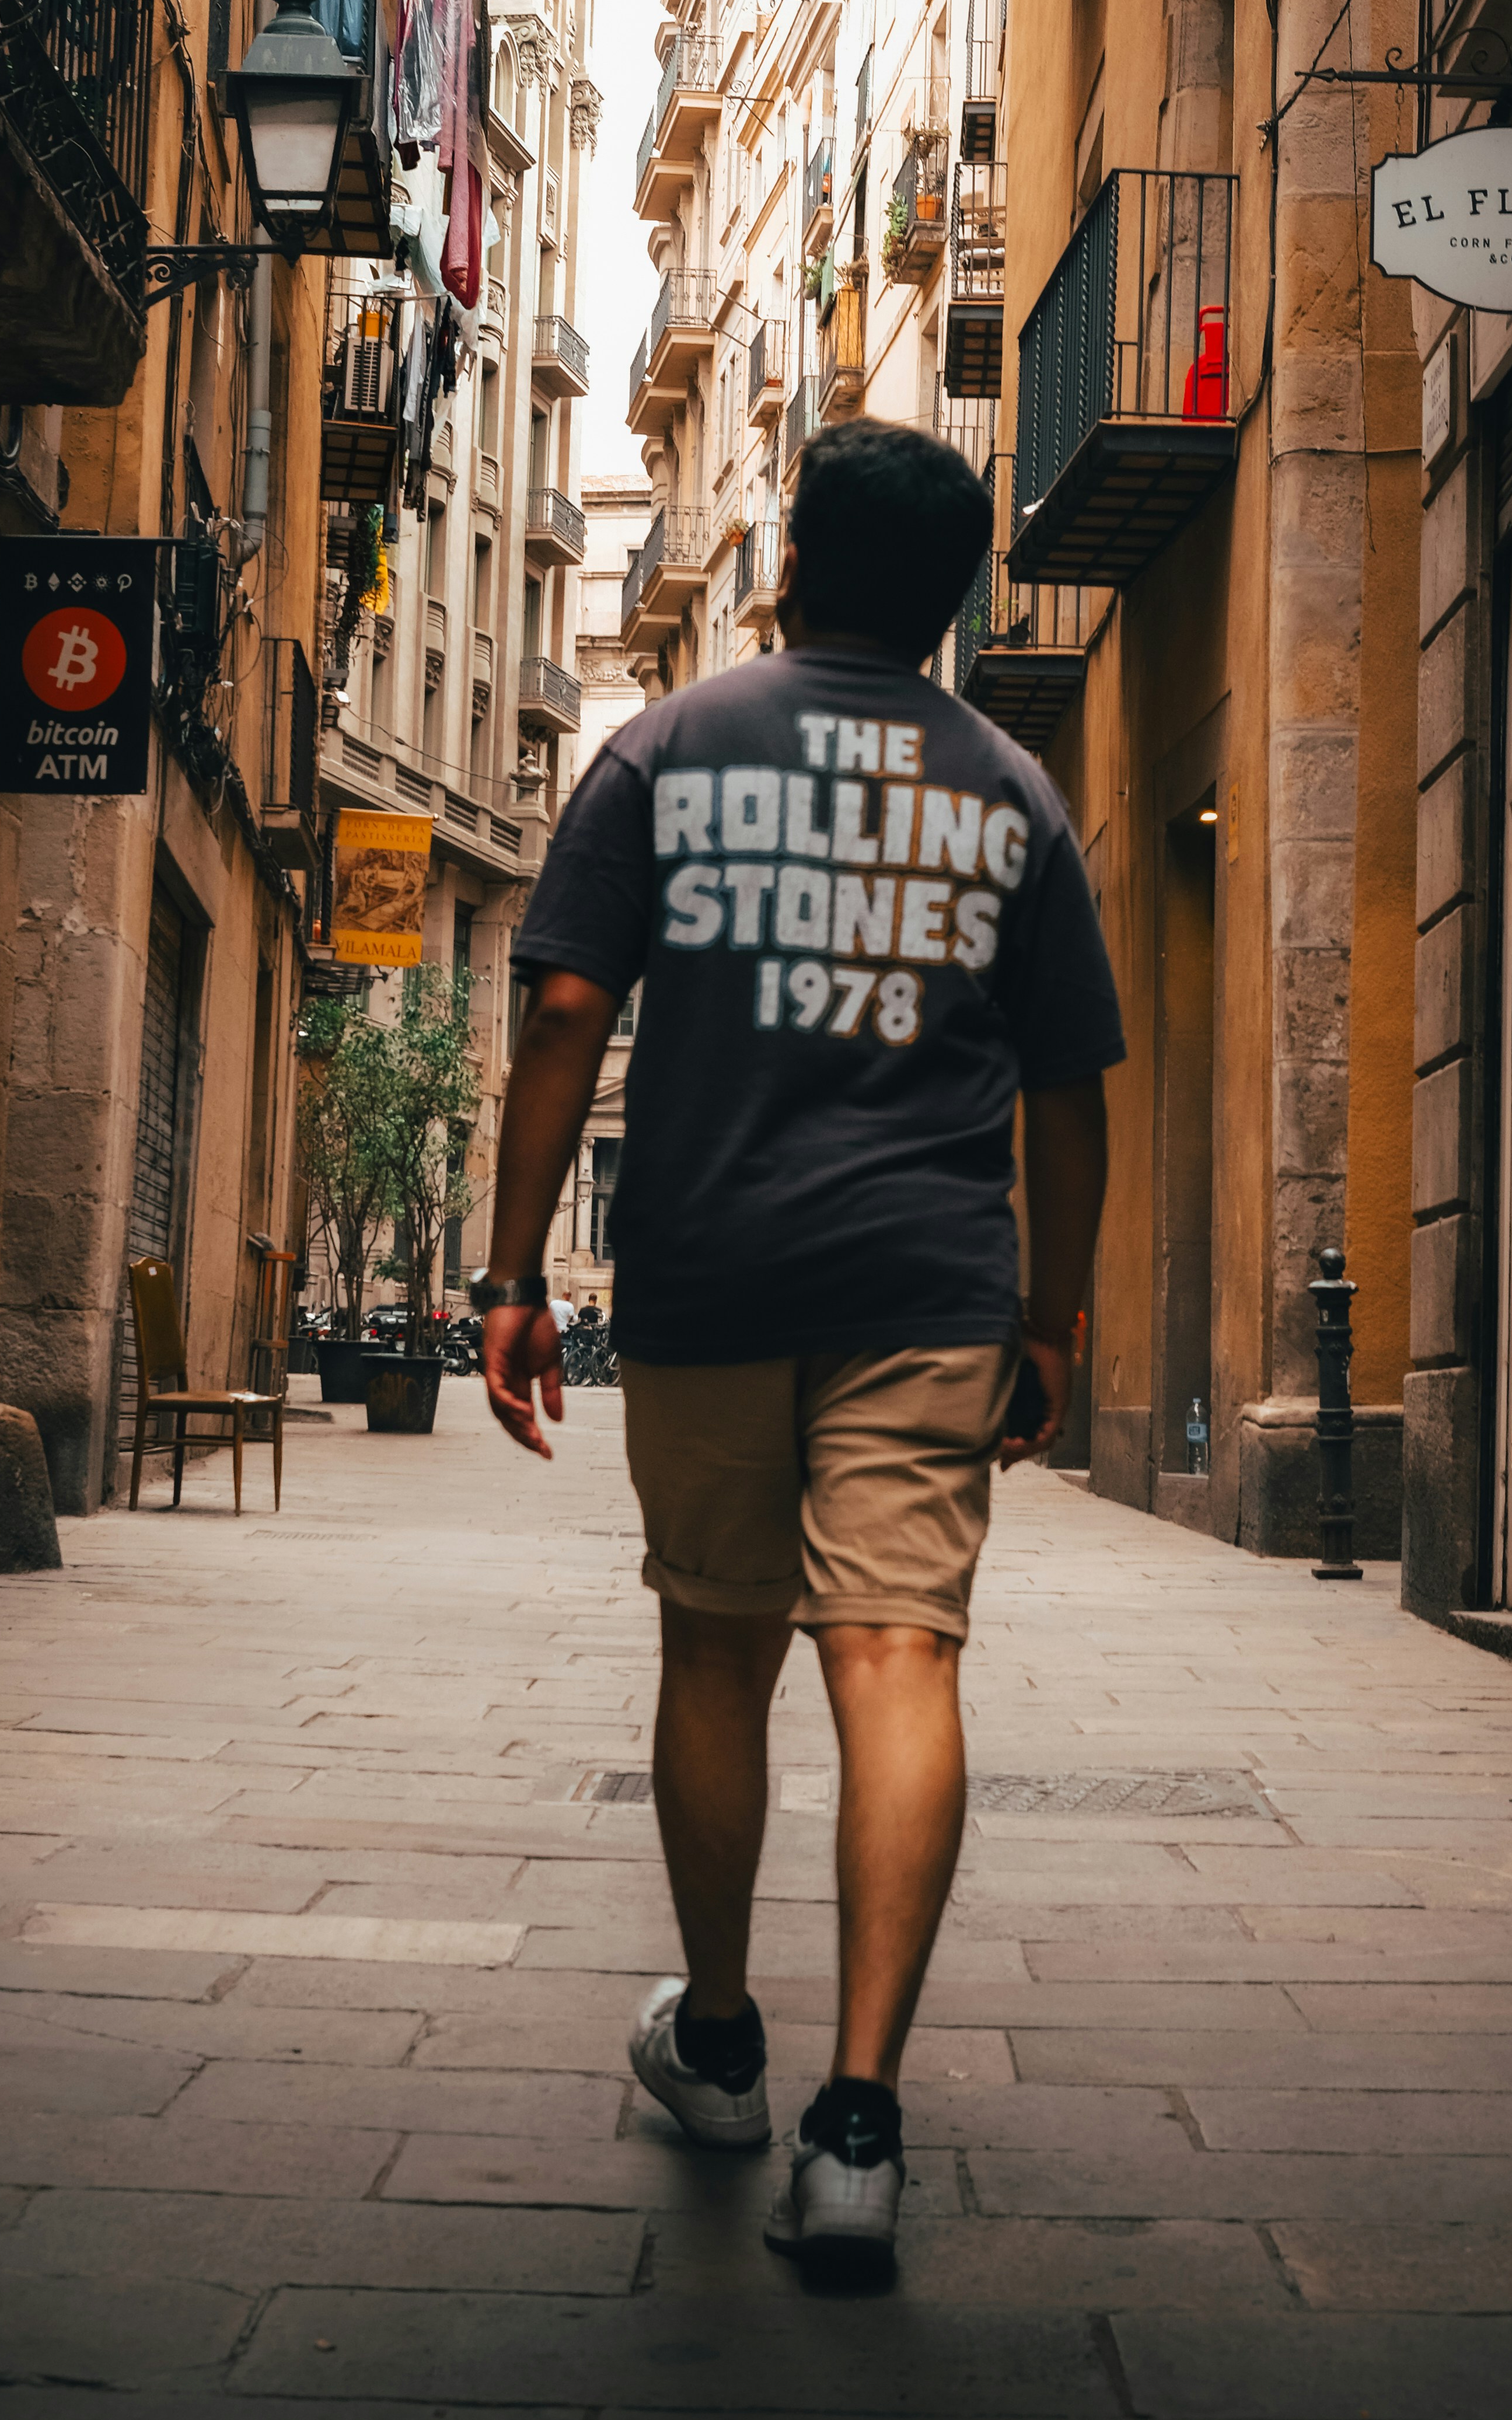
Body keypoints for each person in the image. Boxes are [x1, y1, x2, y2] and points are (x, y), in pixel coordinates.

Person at [473, 421, 1122, 2283]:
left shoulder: (664, 750)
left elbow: (568, 1011)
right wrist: (1052, 1314)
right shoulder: (1013, 793)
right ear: (953, 598)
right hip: (926, 1287)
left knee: (716, 1644)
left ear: (788, 568)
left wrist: (512, 1275)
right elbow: (1071, 1089)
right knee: (899, 1655)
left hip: (708, 1272)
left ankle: (722, 2042)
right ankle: (860, 2126)